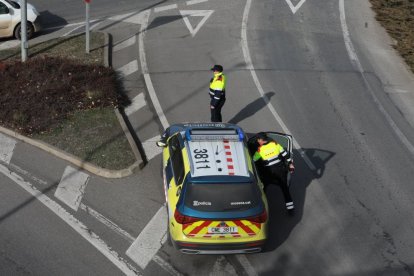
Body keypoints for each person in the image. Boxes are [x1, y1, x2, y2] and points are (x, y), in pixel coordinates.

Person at [252, 132, 295, 214]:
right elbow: (286, 155)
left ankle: (261, 208)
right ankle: (291, 209)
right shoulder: (275, 144)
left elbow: (254, 160)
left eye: (258, 140)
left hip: (269, 173)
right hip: (281, 171)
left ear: (261, 140)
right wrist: (290, 164)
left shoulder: (259, 150)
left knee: (263, 189)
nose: (258, 141)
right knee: (285, 189)